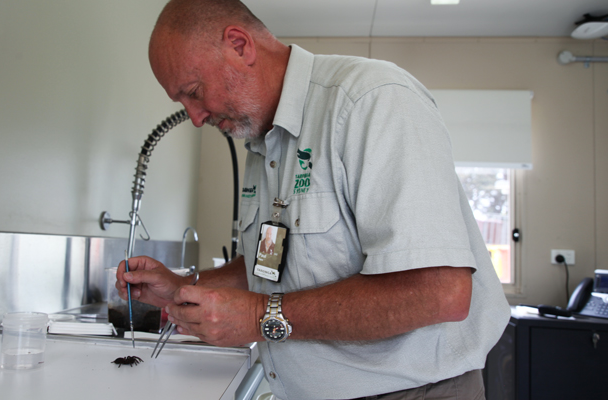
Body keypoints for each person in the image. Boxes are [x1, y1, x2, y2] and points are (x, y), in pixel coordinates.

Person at [116, 1, 510, 399]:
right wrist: (182, 286)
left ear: (239, 45)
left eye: (195, 93)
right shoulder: (263, 143)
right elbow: (273, 266)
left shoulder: (371, 100)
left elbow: (439, 292)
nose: (196, 117)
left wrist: (257, 317)